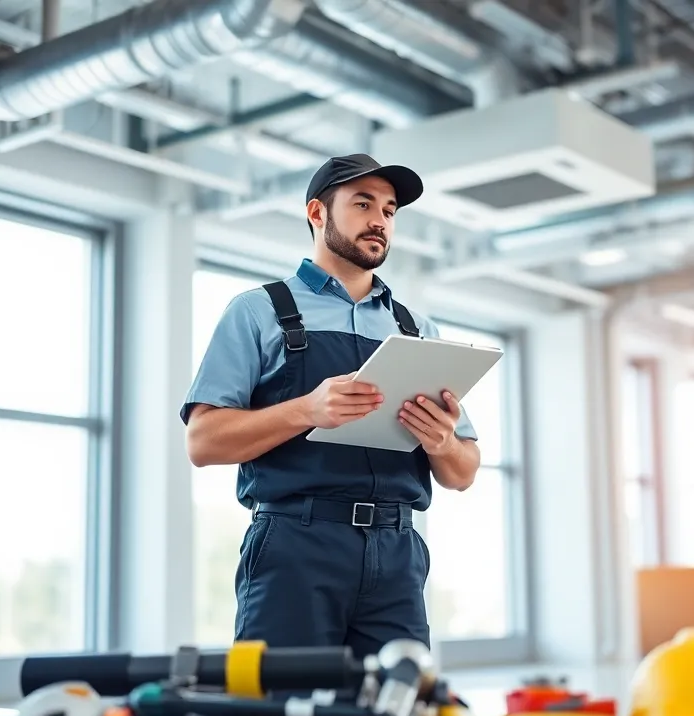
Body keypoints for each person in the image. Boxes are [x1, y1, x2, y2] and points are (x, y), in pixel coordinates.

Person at [181, 153, 482, 660]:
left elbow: (463, 472)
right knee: (282, 714)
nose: (379, 221)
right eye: (363, 204)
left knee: (398, 712)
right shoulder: (259, 311)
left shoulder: (416, 329)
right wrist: (306, 410)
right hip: (295, 545)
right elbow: (203, 442)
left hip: (397, 551)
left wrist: (442, 442)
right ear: (317, 213)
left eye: (389, 211)